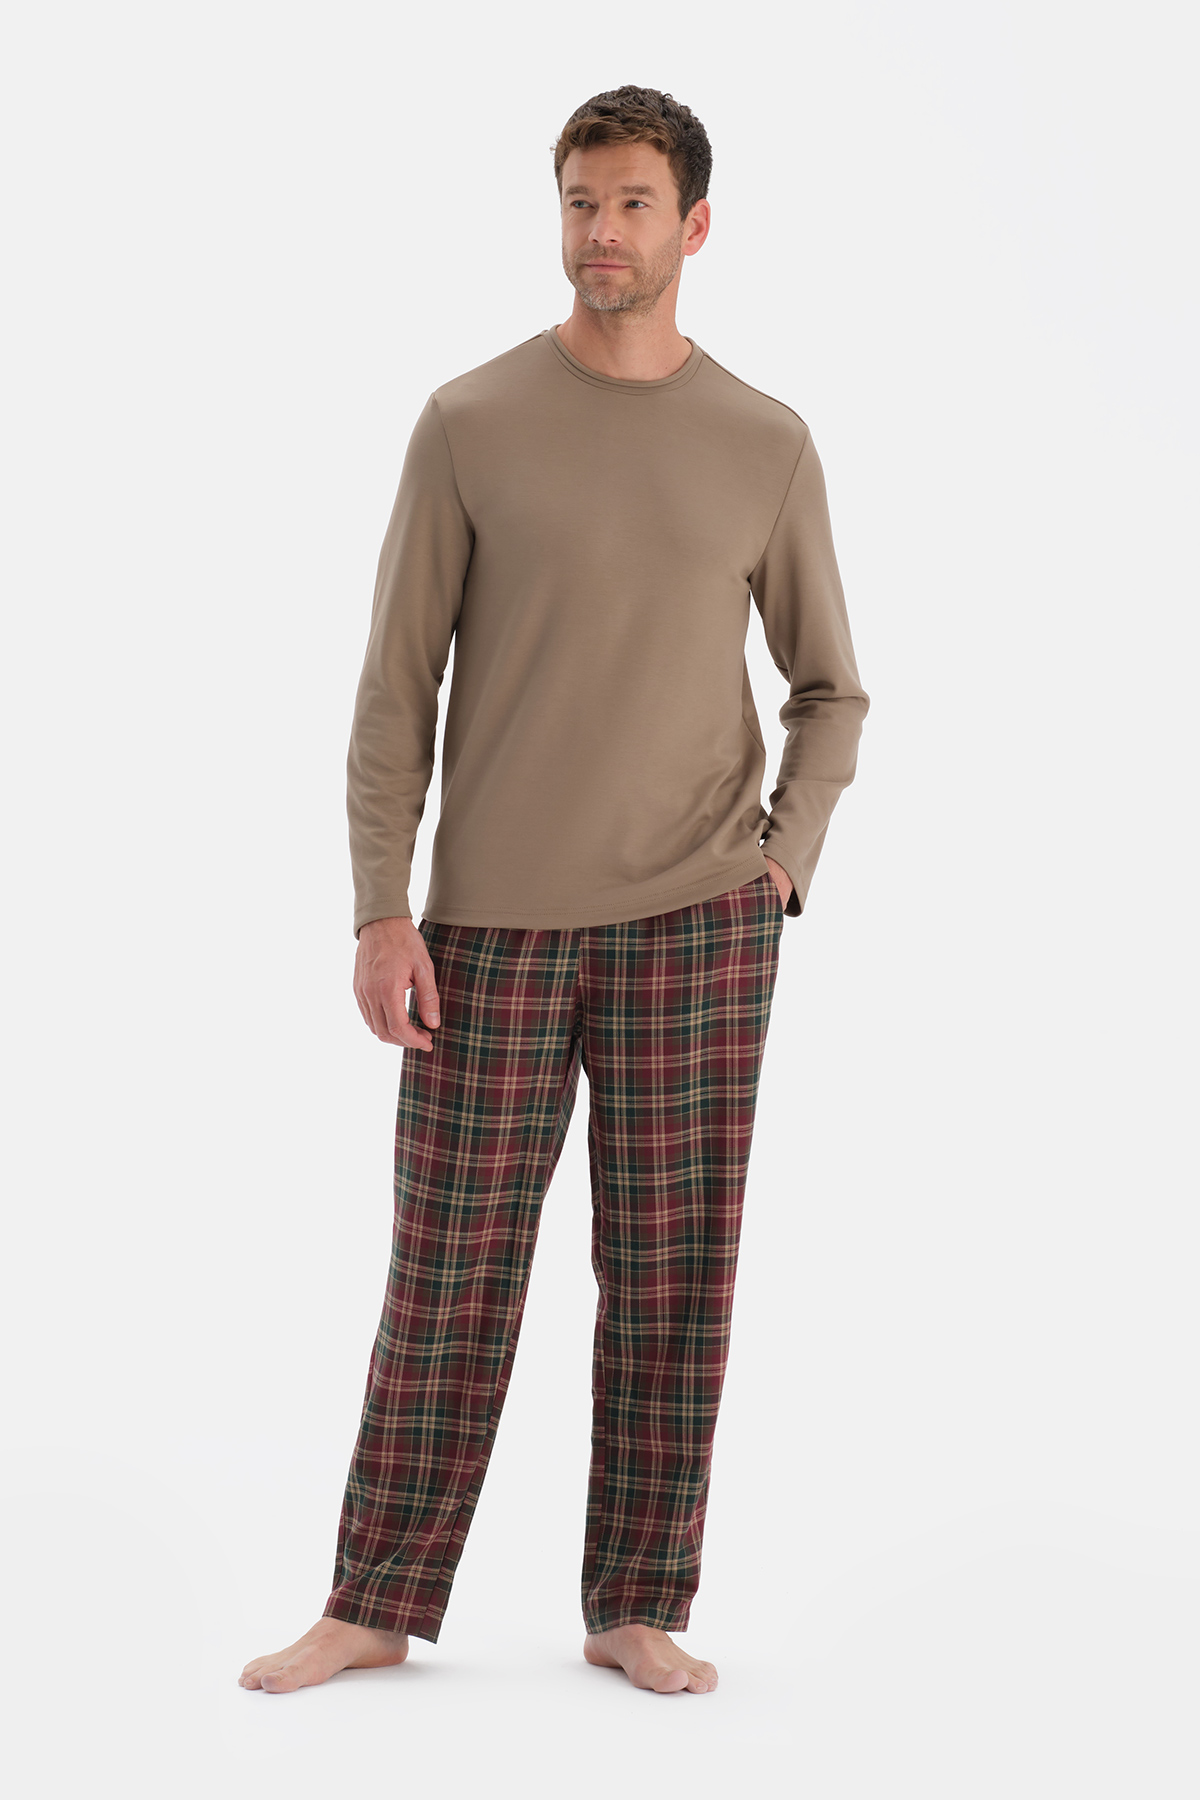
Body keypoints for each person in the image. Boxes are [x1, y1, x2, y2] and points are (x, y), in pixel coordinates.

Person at [240, 83, 868, 1699]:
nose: (603, 230)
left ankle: (635, 1603)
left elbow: (831, 690)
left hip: (699, 924)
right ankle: (375, 1598)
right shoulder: (470, 421)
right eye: (582, 200)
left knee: (671, 1278)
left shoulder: (766, 443)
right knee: (448, 1272)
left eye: (635, 202)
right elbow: (396, 690)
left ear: (696, 225)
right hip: (488, 933)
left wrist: (780, 869)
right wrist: (381, 906)